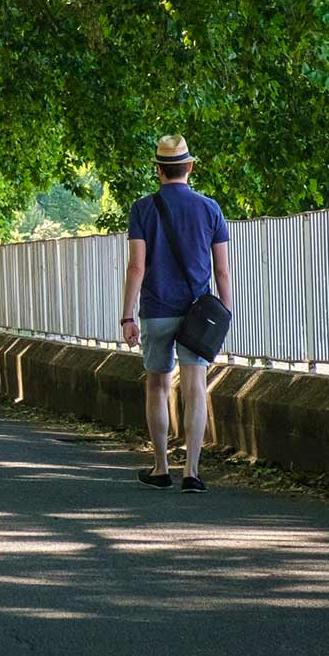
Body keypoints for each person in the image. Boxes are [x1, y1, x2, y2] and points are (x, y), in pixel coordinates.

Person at [122, 135, 232, 494]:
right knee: (196, 388)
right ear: (190, 167)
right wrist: (225, 313)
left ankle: (160, 467)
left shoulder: (143, 208)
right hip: (197, 313)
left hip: (156, 310)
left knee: (157, 385)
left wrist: (127, 316)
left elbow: (136, 267)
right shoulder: (209, 208)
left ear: (158, 170)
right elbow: (222, 272)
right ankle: (193, 472)